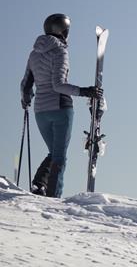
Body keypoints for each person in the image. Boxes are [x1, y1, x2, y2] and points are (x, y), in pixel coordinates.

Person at [20, 13, 103, 198]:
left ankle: (39, 184)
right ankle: (53, 197)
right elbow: (58, 85)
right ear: (63, 32)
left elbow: (25, 84)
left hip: (40, 112)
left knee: (55, 152)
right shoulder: (60, 51)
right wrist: (85, 91)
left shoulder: (34, 54)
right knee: (59, 157)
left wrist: (26, 99)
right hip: (60, 109)